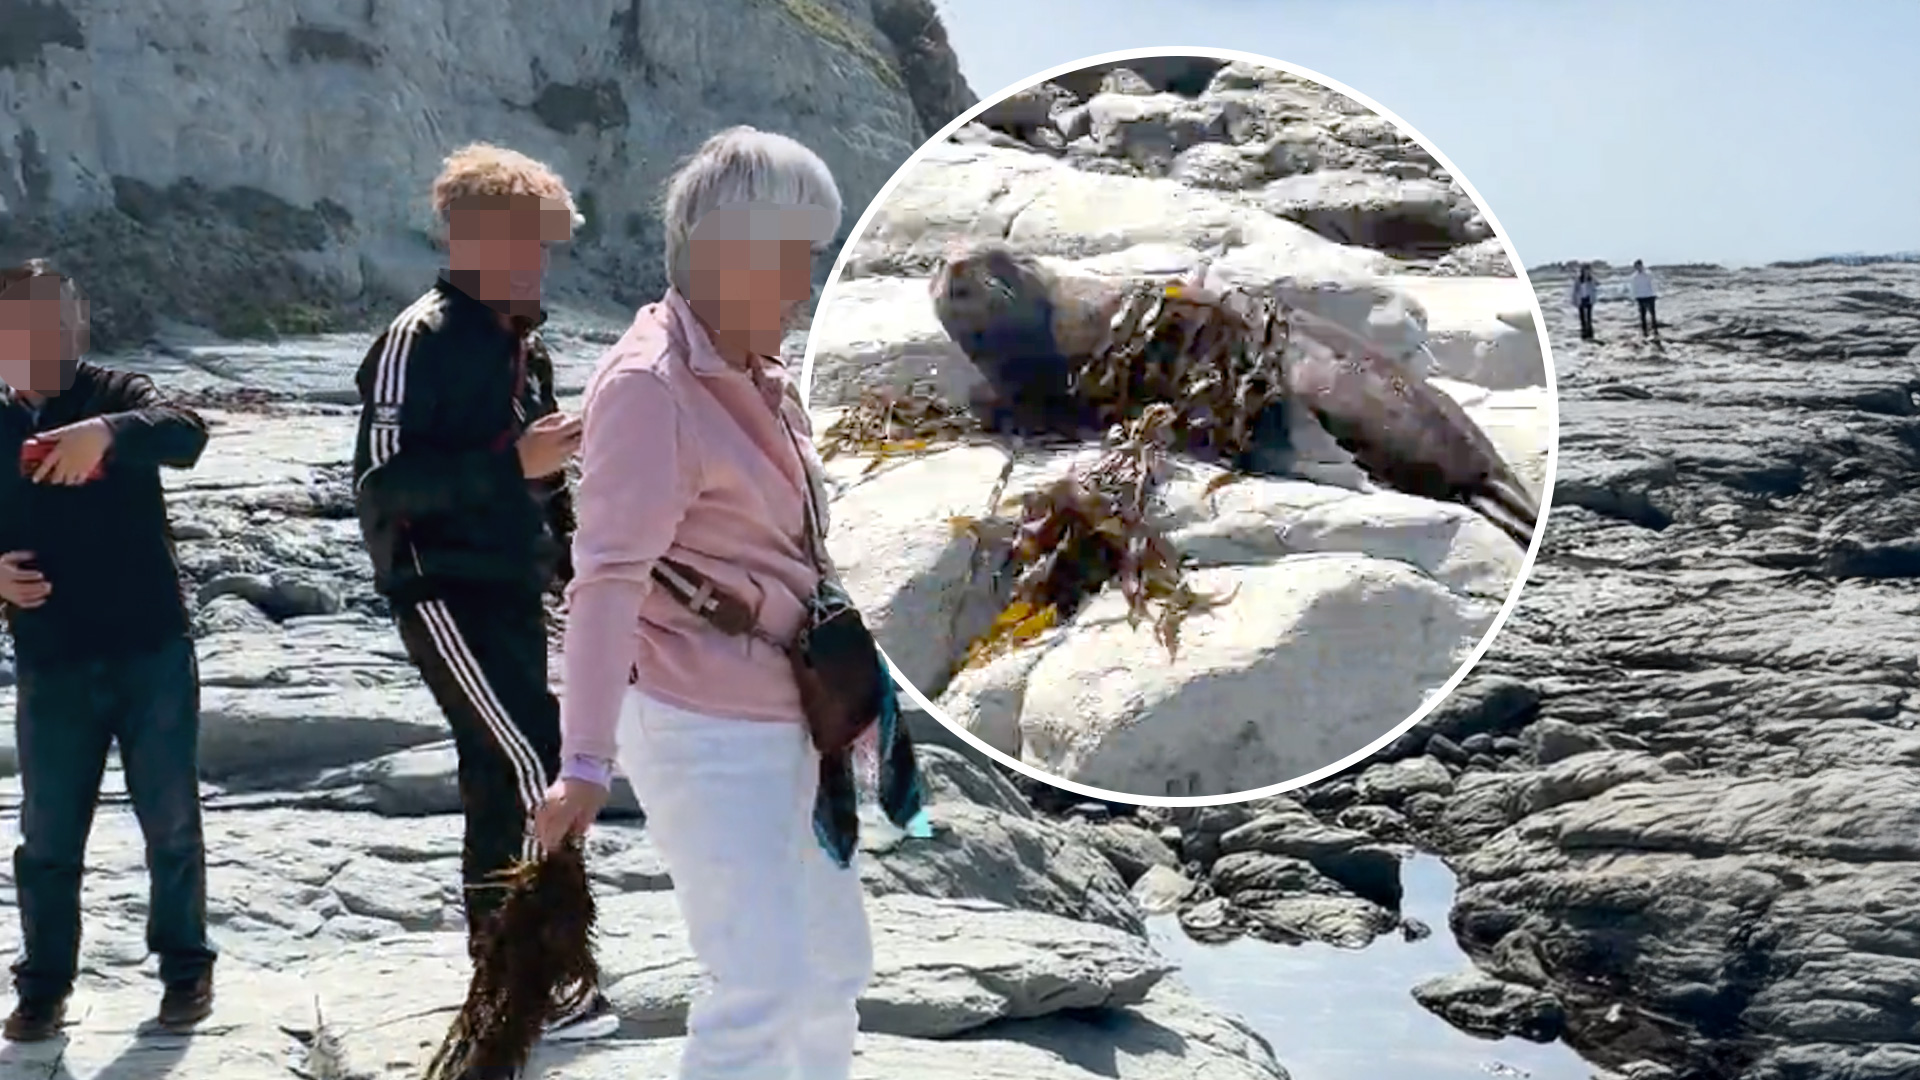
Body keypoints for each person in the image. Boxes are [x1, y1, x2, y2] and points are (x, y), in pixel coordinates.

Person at [532, 127, 875, 1080]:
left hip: (791, 708)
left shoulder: (755, 370)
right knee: (761, 979)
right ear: (727, 255)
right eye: (793, 259)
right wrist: (584, 761)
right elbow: (606, 579)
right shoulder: (653, 388)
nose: (805, 286)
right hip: (702, 721)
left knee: (833, 965)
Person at [350, 144, 616, 1042]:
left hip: (511, 587)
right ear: (468, 239)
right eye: (524, 243)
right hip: (441, 588)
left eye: (544, 246)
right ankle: (544, 977)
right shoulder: (417, 338)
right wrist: (514, 463)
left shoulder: (522, 346)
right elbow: (380, 486)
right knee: (539, 762)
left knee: (506, 776)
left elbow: (541, 486)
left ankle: (515, 974)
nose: (537, 263)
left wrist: (580, 571)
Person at [0, 260, 218, 1041]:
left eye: (66, 319)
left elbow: (186, 432)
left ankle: (186, 970)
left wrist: (107, 433)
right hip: (52, 660)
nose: (55, 335)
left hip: (150, 647)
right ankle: (43, 987)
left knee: (172, 822)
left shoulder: (115, 393)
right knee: (48, 839)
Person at [1629, 259, 1660, 339]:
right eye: (1635, 266)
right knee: (1642, 315)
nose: (1637, 268)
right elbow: (1633, 287)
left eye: (1638, 266)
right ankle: (1645, 331)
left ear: (1641, 265)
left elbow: (1653, 284)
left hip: (1649, 295)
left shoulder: (1648, 273)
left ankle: (1655, 330)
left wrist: (1655, 293)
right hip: (1640, 297)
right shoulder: (1634, 276)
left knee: (1652, 314)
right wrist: (1634, 296)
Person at [1571, 263, 1599, 341]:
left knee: (1589, 318)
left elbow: (1596, 287)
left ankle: (1590, 334)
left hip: (1589, 299)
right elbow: (1575, 291)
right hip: (1581, 299)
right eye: (1585, 270)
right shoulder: (1578, 280)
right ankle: (1584, 334)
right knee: (1582, 318)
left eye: (1588, 270)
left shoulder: (1591, 279)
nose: (1587, 272)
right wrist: (1574, 300)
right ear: (1582, 271)